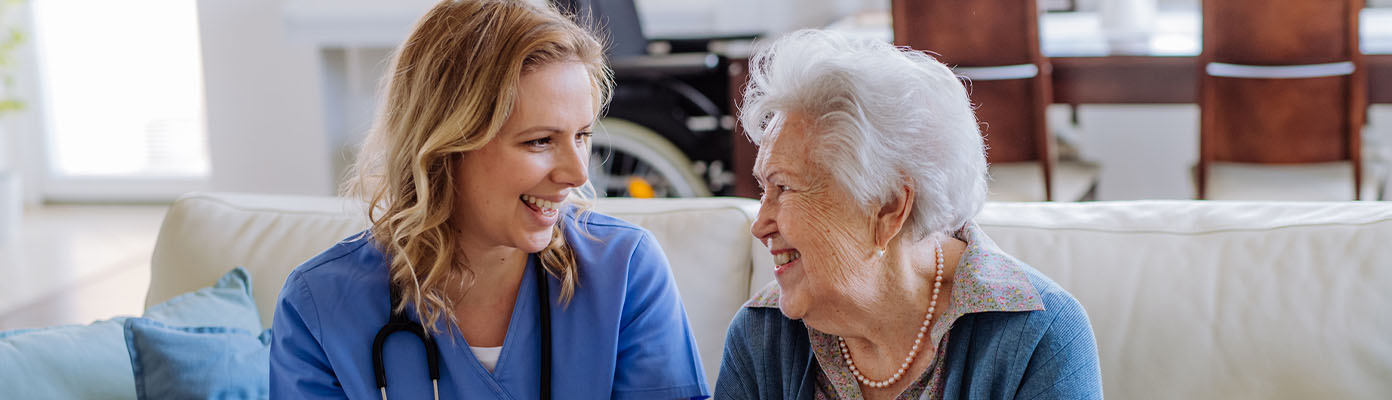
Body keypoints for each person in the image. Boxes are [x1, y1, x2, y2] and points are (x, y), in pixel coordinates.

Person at [269, 1, 709, 398]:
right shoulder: (318, 306)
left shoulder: (625, 272)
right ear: (444, 146)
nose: (576, 174)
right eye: (539, 141)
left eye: (582, 136)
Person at [715, 30, 1104, 399]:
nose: (760, 224)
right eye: (764, 190)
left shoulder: (1039, 336)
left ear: (888, 209)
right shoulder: (761, 336)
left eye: (784, 188)